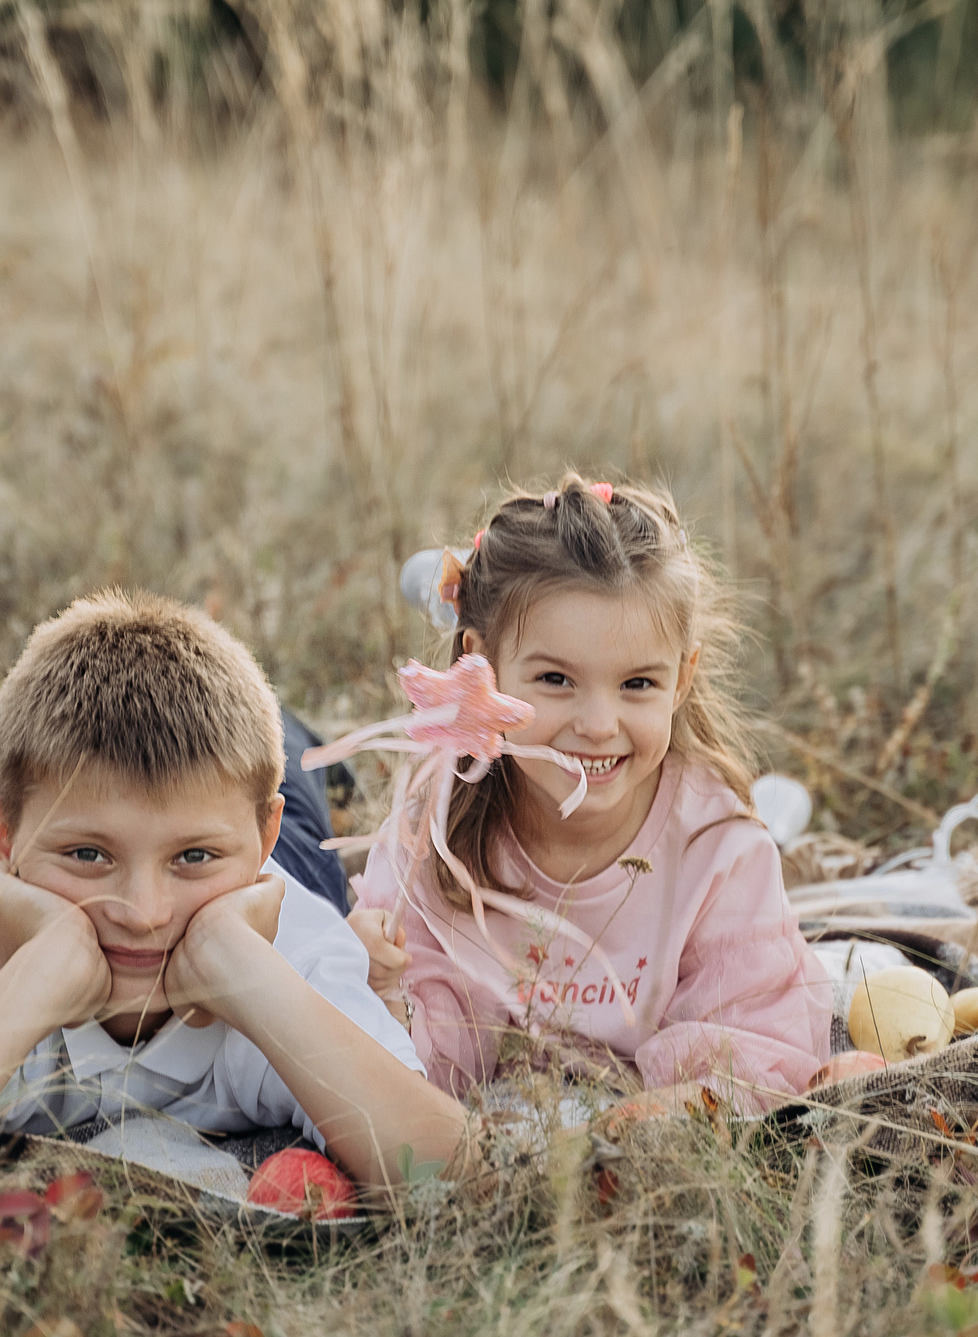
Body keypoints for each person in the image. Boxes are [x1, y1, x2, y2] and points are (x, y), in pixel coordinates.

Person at [0, 592, 462, 1192]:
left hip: (247, 841)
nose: (143, 913)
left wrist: (245, 972)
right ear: (3, 839)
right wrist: (38, 976)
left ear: (260, 842)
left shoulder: (298, 950)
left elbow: (449, 1167)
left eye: (191, 858)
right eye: (88, 856)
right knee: (14, 738)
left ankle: (278, 755)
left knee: (286, 751)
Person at [336, 473, 832, 1111]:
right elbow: (426, 1064)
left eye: (637, 685)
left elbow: (755, 1042)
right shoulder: (439, 820)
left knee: (766, 861)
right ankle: (443, 584)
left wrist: (646, 1122)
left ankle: (778, 810)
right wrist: (385, 991)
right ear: (478, 667)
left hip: (637, 1119)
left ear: (682, 679)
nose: (599, 726)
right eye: (555, 678)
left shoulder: (720, 849)